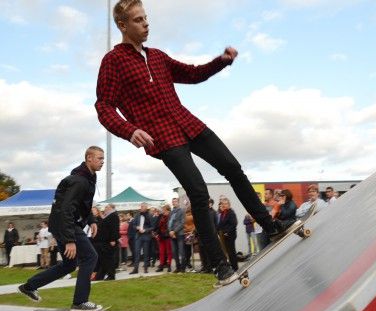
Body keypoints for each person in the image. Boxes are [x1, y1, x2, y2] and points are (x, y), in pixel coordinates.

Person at [95, 0, 284, 285]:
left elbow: (193, 74)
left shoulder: (157, 56)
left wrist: (221, 61)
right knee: (197, 191)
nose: (146, 24)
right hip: (162, 135)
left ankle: (271, 226)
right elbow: (104, 106)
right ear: (123, 25)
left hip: (187, 122)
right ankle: (219, 266)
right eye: (138, 20)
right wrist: (129, 130)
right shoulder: (114, 62)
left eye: (146, 18)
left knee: (232, 167)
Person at [18, 146, 104, 311]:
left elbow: (82, 204)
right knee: (90, 257)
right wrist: (70, 239)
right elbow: (66, 209)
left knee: (69, 265)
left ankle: (29, 286)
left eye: (103, 159)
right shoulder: (80, 180)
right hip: (66, 224)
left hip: (63, 224)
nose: (102, 162)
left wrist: (92, 220)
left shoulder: (88, 177)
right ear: (89, 158)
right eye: (99, 158)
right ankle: (80, 302)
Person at [95, 204, 120, 281]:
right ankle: (100, 276)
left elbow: (114, 228)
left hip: (109, 241)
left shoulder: (113, 215)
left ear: (111, 208)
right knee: (104, 259)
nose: (105, 209)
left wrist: (113, 239)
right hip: (105, 241)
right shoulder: (109, 215)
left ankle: (111, 275)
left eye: (106, 207)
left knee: (109, 259)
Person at [130, 203, 154, 274]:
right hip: (138, 236)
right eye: (141, 206)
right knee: (137, 252)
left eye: (143, 206)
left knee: (146, 253)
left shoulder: (150, 215)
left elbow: (152, 227)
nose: (142, 208)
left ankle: (145, 268)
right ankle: (135, 269)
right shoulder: (137, 215)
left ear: (146, 207)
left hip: (146, 236)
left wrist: (145, 230)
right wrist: (137, 227)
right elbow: (133, 225)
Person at [217, 198, 238, 271]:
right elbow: (221, 224)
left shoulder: (231, 212)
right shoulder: (224, 212)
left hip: (230, 235)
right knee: (228, 252)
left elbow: (234, 224)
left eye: (225, 204)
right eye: (223, 204)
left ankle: (235, 268)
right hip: (224, 235)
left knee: (231, 252)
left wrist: (227, 232)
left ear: (229, 204)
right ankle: (232, 266)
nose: (224, 205)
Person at [168, 198, 186, 273]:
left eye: (175, 202)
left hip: (179, 234)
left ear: (178, 202)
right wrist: (170, 231)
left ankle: (183, 268)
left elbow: (182, 223)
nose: (174, 203)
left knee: (181, 252)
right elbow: (169, 222)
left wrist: (174, 231)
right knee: (174, 252)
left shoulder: (181, 211)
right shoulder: (171, 212)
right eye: (173, 202)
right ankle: (177, 267)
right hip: (172, 234)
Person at [155, 204, 172, 272]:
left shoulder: (170, 217)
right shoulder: (161, 216)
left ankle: (169, 265)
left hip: (167, 236)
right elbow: (158, 226)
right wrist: (156, 233)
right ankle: (161, 265)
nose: (163, 211)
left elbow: (170, 226)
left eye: (164, 210)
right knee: (161, 252)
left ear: (168, 210)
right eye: (163, 210)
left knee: (169, 252)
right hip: (161, 236)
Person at [183, 205, 196, 270]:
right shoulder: (193, 216)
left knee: (186, 249)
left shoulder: (184, 216)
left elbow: (183, 224)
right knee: (190, 250)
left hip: (185, 233)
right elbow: (194, 225)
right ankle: (187, 262)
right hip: (191, 233)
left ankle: (187, 262)